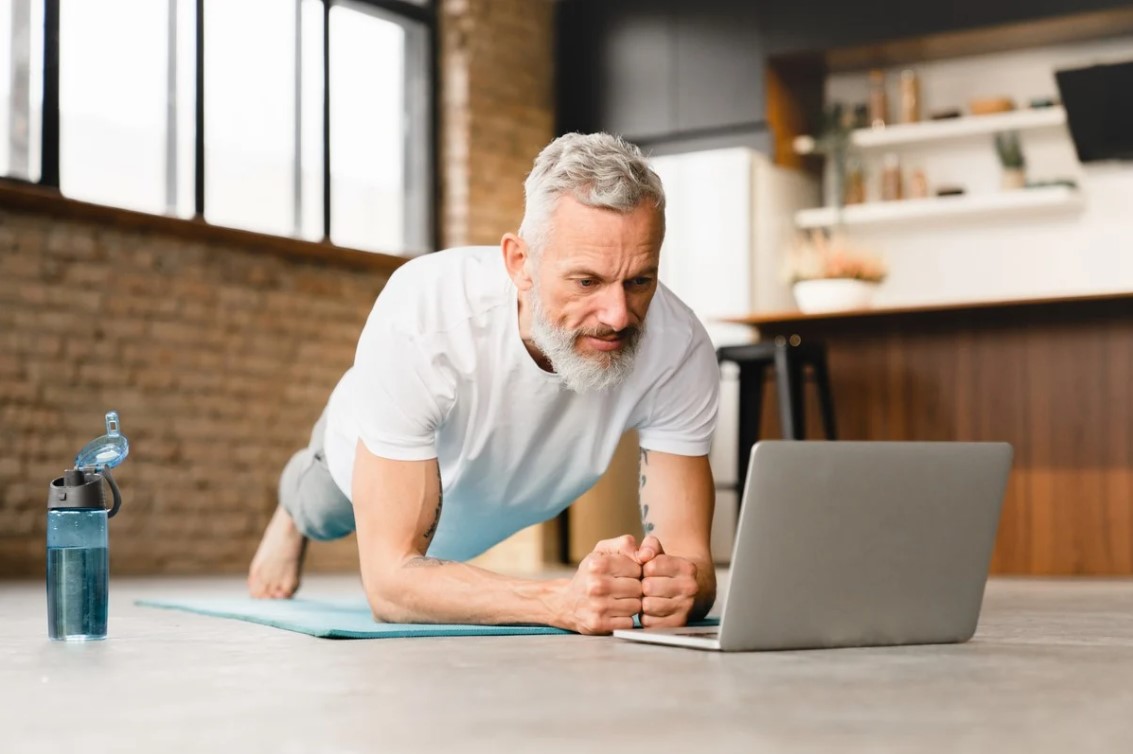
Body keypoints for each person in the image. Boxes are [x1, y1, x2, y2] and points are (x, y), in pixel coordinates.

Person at [247, 132, 720, 635]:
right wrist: (560, 600)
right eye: (586, 282)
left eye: (639, 281)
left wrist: (681, 588)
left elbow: (695, 561)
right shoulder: (426, 314)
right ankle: (290, 516)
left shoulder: (680, 347)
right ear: (521, 263)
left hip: (491, 495)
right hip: (361, 452)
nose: (618, 315)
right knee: (322, 509)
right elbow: (389, 586)